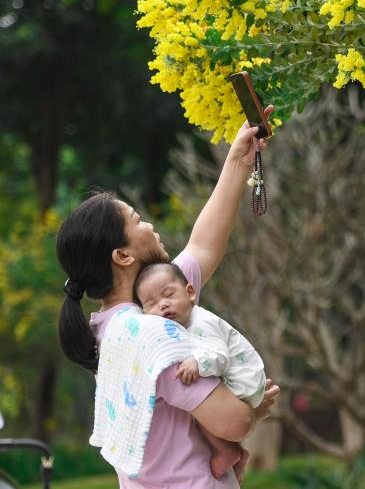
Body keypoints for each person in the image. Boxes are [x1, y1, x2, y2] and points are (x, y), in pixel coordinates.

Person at [56, 110, 280, 488]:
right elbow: (234, 421)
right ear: (122, 256)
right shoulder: (150, 334)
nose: (150, 226)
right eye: (138, 220)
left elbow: (203, 246)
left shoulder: (133, 318)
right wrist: (256, 410)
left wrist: (239, 161)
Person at [134, 262, 265, 481]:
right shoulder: (182, 326)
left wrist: (197, 363)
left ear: (190, 293)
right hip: (240, 381)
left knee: (197, 406)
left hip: (243, 381)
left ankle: (227, 452)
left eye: (169, 295)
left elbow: (220, 357)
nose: (163, 305)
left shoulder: (200, 323)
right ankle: (236, 455)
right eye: (151, 304)